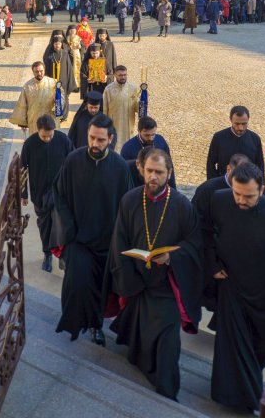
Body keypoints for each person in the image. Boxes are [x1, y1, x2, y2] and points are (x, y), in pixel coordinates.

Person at [105, 148, 203, 401]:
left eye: (159, 172)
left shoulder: (182, 205)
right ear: (141, 170)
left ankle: (167, 388)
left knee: (168, 338)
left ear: (169, 173)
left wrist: (173, 257)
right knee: (142, 333)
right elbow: (119, 241)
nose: (153, 176)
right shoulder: (130, 200)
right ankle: (142, 362)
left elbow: (194, 243)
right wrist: (128, 279)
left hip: (167, 285)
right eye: (149, 171)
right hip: (137, 280)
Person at [205, 163, 265, 413]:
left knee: (260, 351)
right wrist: (212, 263)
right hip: (232, 288)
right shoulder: (219, 200)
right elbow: (204, 233)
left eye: (248, 196)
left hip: (264, 295)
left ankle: (247, 391)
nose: (241, 200)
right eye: (237, 193)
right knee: (230, 348)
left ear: (262, 190)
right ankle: (236, 399)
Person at [52, 113, 133, 345]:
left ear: (110, 139)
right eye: (92, 138)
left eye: (100, 140)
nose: (95, 144)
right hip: (79, 240)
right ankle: (77, 322)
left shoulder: (119, 167)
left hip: (107, 243)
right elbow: (59, 195)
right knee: (78, 284)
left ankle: (96, 326)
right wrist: (68, 231)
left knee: (101, 289)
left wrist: (121, 239)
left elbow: (126, 207)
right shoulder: (73, 160)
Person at [192, 153, 250, 312]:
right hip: (211, 257)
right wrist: (212, 264)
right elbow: (198, 229)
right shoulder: (207, 190)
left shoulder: (250, 189)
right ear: (228, 169)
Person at [21, 114, 74, 272]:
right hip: (40, 194)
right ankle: (47, 254)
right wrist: (24, 194)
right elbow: (23, 170)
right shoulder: (29, 144)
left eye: (50, 135)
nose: (48, 139)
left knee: (62, 224)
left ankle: (62, 255)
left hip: (61, 192)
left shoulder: (63, 139)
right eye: (44, 136)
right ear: (38, 131)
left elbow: (73, 161)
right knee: (45, 226)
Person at [206, 106, 264, 180]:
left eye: (244, 124)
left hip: (247, 186)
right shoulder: (219, 137)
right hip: (223, 185)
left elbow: (260, 166)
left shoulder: (255, 139)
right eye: (237, 123)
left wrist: (260, 189)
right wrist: (213, 185)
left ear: (248, 119)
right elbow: (211, 163)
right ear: (230, 120)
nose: (240, 128)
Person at [9, 61, 57, 136]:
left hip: (50, 117)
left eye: (41, 71)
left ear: (44, 70)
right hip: (34, 120)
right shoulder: (27, 86)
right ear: (33, 72)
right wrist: (23, 123)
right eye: (37, 72)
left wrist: (58, 103)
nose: (39, 73)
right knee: (36, 141)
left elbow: (61, 101)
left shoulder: (53, 83)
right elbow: (22, 104)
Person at [103, 65, 138, 153]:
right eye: (120, 75)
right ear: (115, 75)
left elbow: (136, 108)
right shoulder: (108, 89)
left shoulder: (133, 88)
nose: (123, 77)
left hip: (129, 126)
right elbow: (104, 109)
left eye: (125, 75)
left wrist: (142, 105)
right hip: (114, 125)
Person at [43, 36, 76, 121]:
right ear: (53, 44)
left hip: (63, 79)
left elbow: (69, 68)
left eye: (59, 44)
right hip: (52, 79)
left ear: (61, 44)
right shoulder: (50, 55)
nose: (57, 45)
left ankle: (64, 116)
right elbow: (46, 68)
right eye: (55, 44)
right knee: (52, 97)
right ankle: (54, 113)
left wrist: (70, 80)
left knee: (64, 97)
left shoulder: (64, 54)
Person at [65, 24, 84, 91]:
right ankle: (70, 86)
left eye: (74, 30)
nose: (73, 32)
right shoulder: (66, 38)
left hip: (77, 57)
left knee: (77, 71)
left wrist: (80, 47)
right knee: (69, 71)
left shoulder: (79, 38)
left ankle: (77, 86)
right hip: (68, 56)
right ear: (69, 31)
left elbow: (83, 48)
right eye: (71, 30)